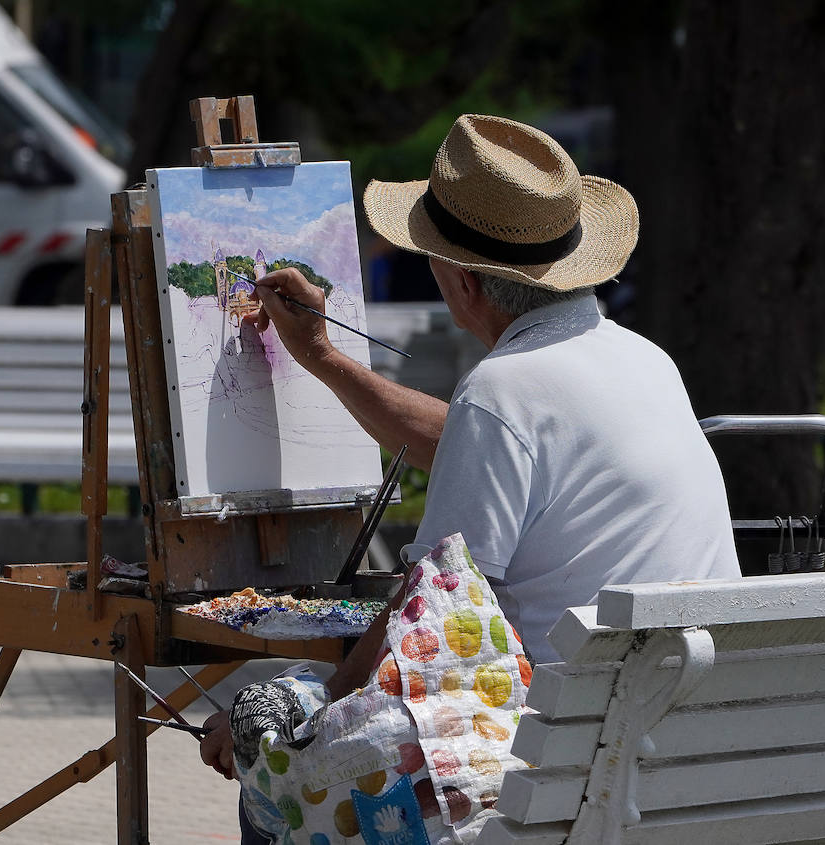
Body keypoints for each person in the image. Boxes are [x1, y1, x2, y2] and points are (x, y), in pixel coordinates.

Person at [199, 113, 740, 798]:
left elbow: (423, 618)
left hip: (566, 767)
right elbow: (480, 445)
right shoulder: (644, 360)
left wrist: (302, 718)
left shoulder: (503, 395)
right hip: (688, 746)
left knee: (280, 789)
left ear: (463, 283)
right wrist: (324, 358)